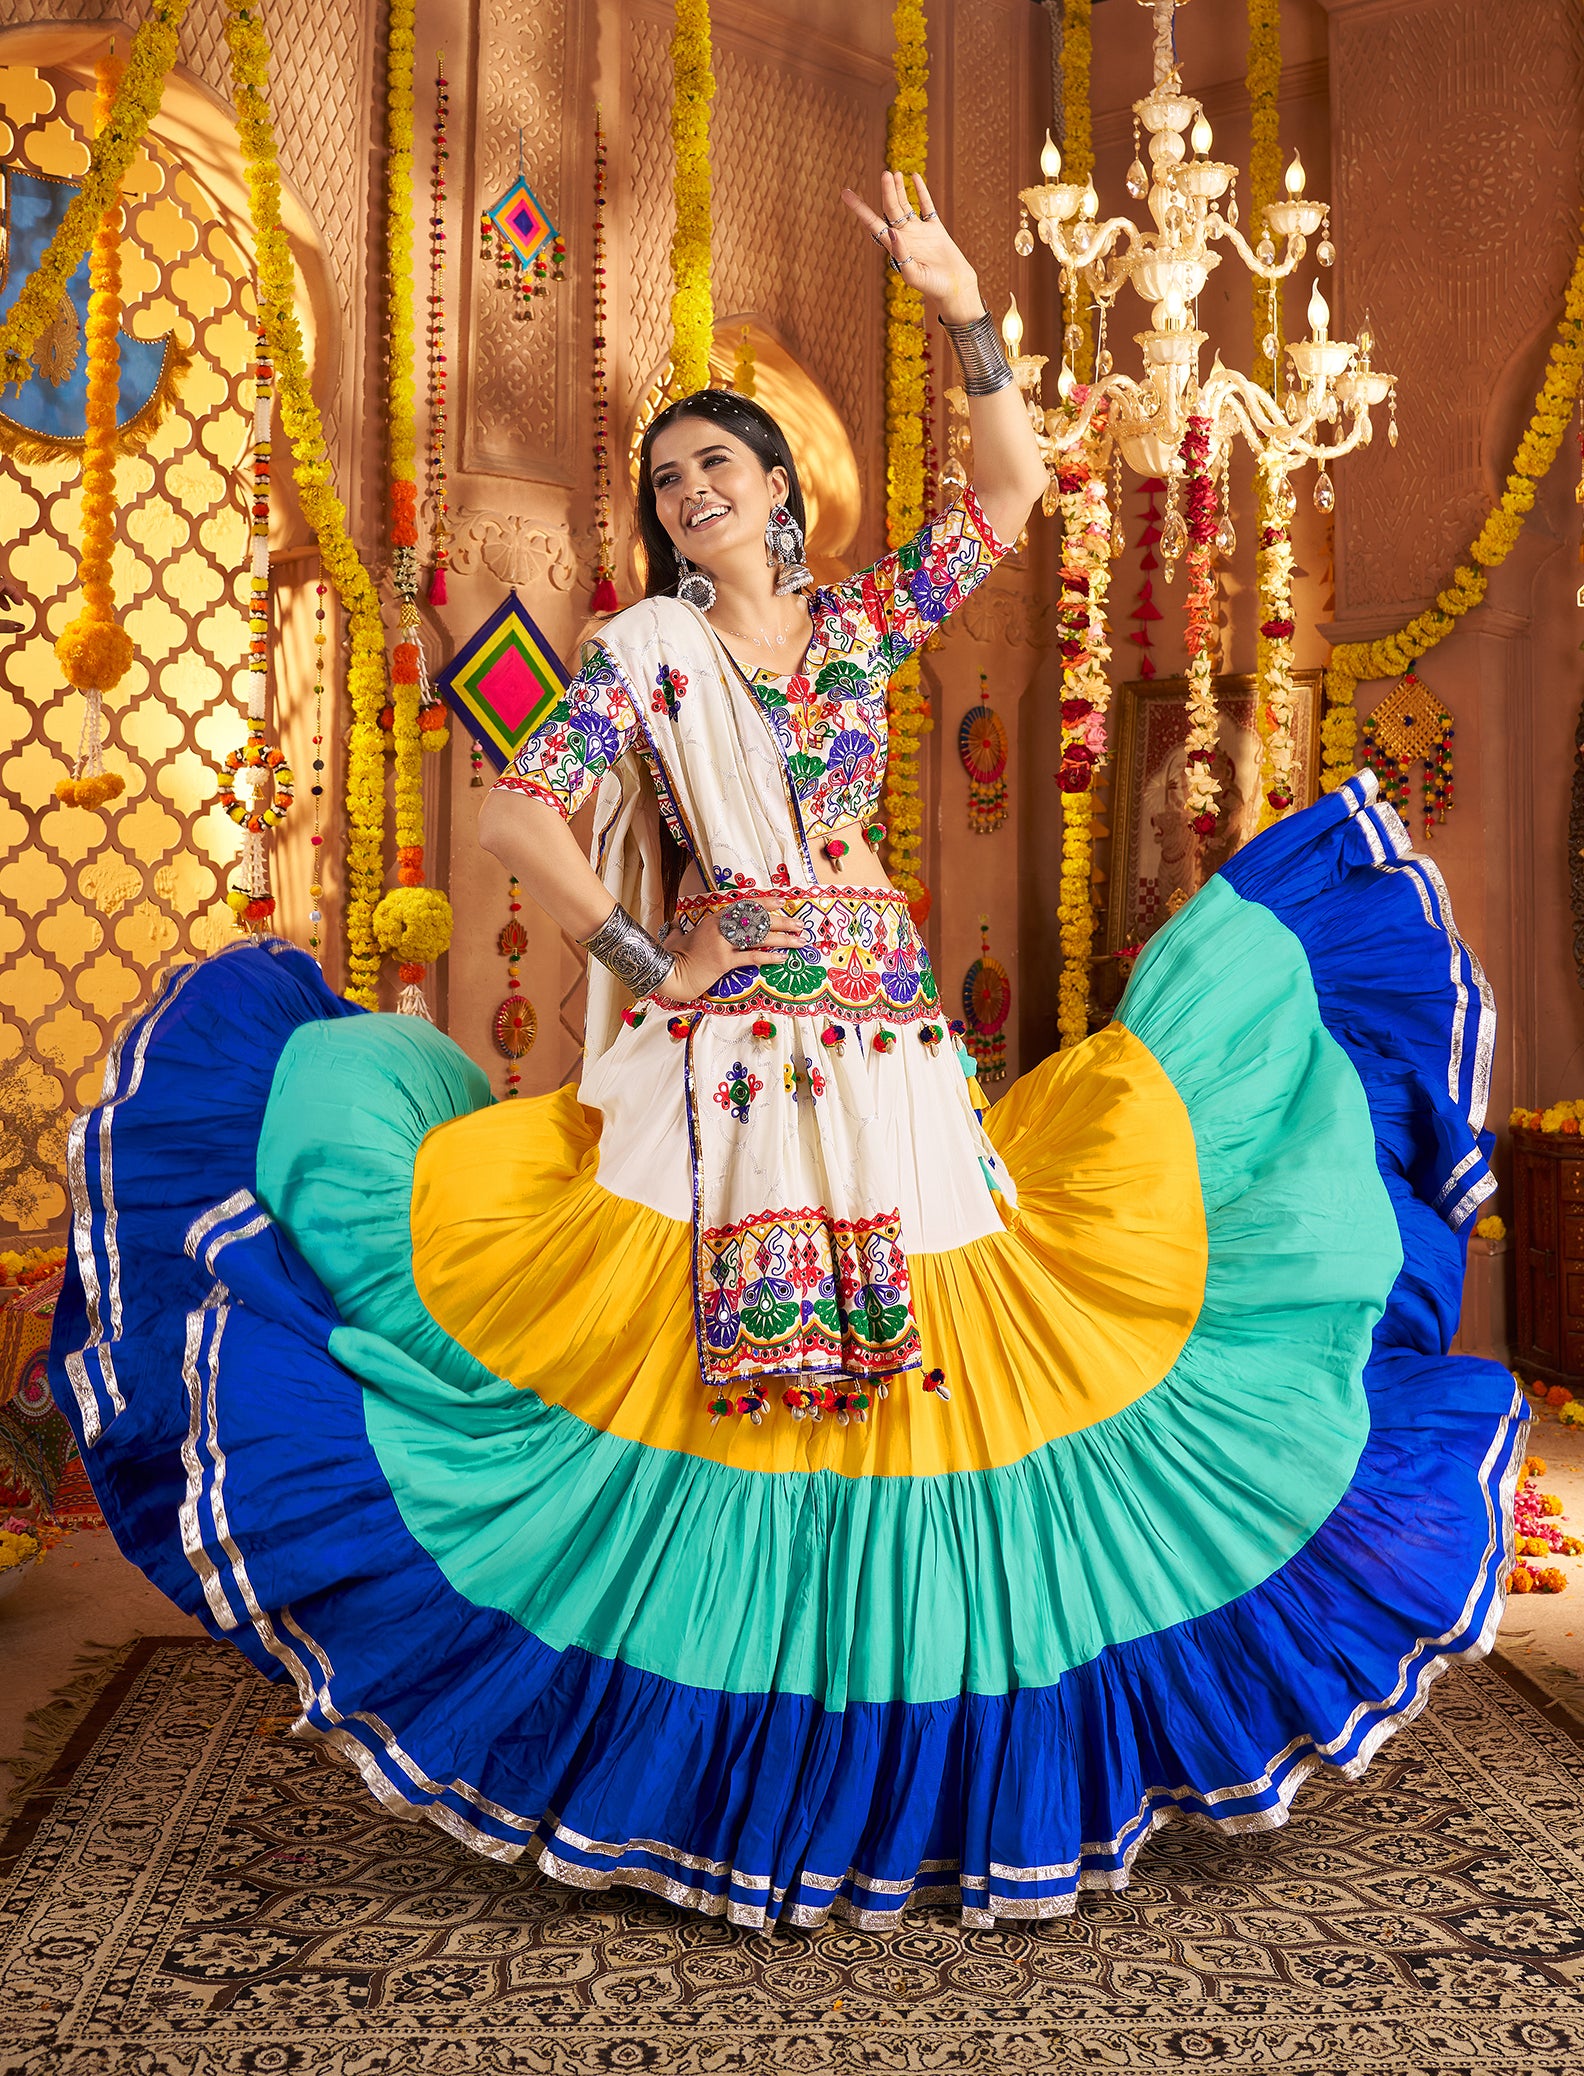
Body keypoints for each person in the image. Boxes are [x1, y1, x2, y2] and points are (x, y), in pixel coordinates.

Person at [51, 174, 1519, 1932]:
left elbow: (1011, 488)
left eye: (714, 465)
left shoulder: (852, 625)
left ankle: (926, 1750)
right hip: (731, 1053)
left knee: (930, 1360)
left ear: (775, 490)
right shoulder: (640, 650)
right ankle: (724, 1749)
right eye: (667, 479)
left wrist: (967, 298)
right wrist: (642, 948)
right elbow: (517, 806)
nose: (689, 494)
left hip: (888, 1050)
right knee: (736, 1377)